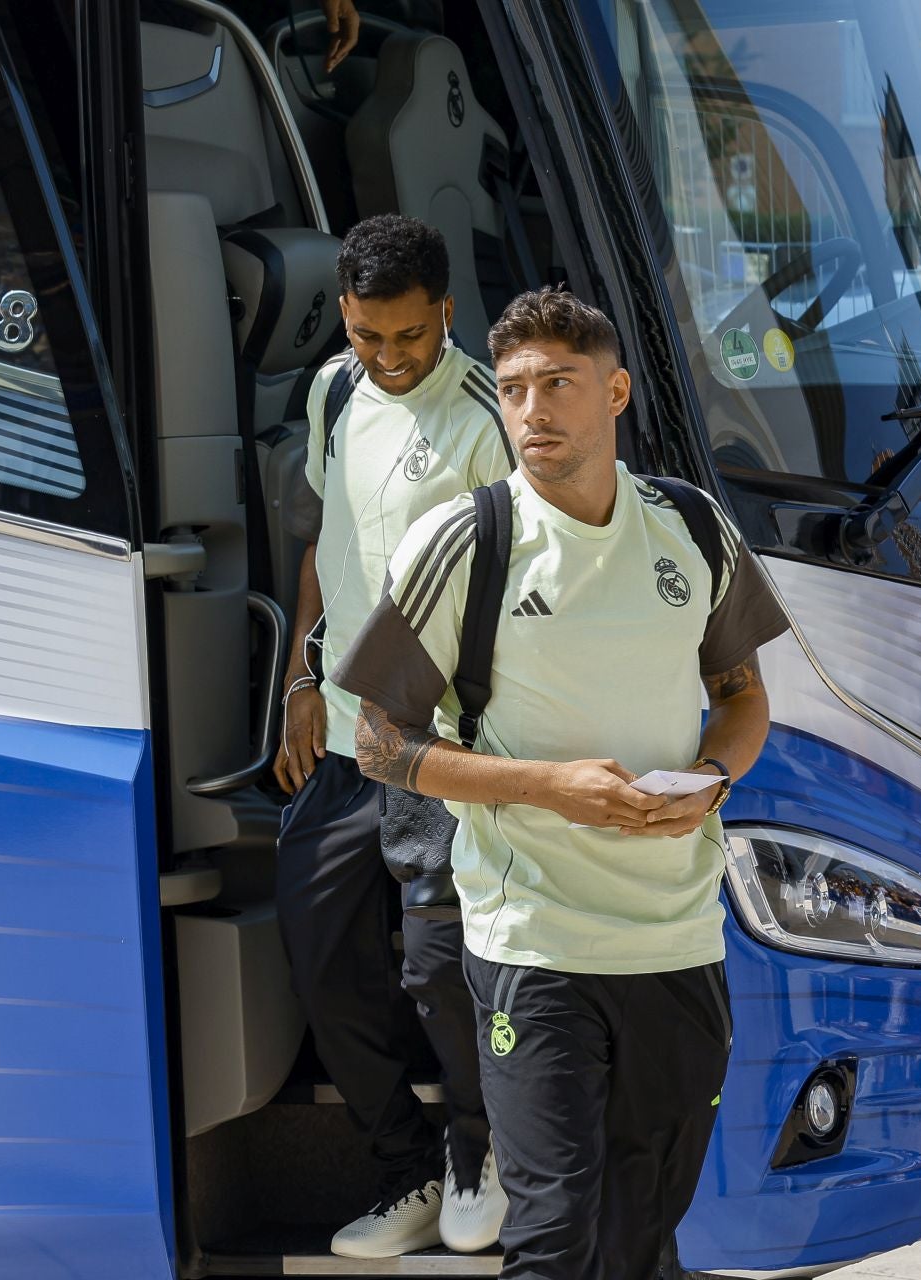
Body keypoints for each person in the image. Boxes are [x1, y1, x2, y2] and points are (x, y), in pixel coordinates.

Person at [330, 287, 791, 1278]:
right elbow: (378, 742)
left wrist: (712, 775)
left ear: (615, 392)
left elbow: (744, 697)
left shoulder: (694, 529)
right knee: (554, 1237)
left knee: (642, 1239)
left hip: (677, 941)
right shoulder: (465, 540)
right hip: (530, 944)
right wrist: (548, 785)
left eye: (557, 383)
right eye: (512, 388)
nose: (532, 408)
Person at [272, 215, 515, 1258]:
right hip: (339, 734)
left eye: (410, 335)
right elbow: (326, 549)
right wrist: (296, 675)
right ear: (345, 317)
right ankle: (404, 1165)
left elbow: (515, 586)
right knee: (318, 949)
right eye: (371, 335)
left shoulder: (483, 413)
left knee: (434, 965)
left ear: (446, 314)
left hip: (436, 739)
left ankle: (480, 1148)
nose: (391, 357)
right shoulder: (331, 391)